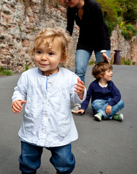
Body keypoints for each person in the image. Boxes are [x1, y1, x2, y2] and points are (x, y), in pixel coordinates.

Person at [12, 27, 86, 174]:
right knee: (28, 160)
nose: (43, 57)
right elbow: (19, 91)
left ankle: (62, 171)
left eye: (50, 53)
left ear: (62, 57)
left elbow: (75, 98)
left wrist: (80, 93)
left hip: (59, 129)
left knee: (64, 160)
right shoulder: (28, 76)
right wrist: (17, 100)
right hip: (32, 128)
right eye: (39, 52)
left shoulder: (70, 78)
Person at [63, 0, 111, 112]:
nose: (67, 1)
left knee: (103, 73)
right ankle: (80, 101)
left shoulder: (94, 6)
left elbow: (101, 29)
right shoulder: (71, 10)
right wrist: (62, 44)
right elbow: (69, 29)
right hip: (85, 41)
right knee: (79, 70)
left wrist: (102, 51)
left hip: (101, 40)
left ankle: (104, 103)